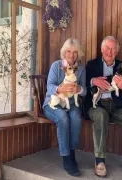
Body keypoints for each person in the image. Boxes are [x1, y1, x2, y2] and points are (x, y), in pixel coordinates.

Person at [85, 36, 122, 177]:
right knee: (100, 115)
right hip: (97, 105)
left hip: (117, 107)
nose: (109, 51)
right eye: (107, 48)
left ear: (117, 51)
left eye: (113, 49)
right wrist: (94, 81)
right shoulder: (92, 65)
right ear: (101, 49)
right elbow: (83, 83)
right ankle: (99, 162)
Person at [42, 38, 87, 177]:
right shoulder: (56, 66)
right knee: (63, 118)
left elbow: (85, 91)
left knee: (76, 118)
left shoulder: (81, 68)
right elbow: (49, 87)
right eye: (68, 51)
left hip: (71, 104)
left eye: (74, 52)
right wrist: (60, 88)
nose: (71, 55)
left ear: (78, 54)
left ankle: (72, 152)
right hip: (53, 103)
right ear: (64, 52)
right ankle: (66, 158)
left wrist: (79, 88)